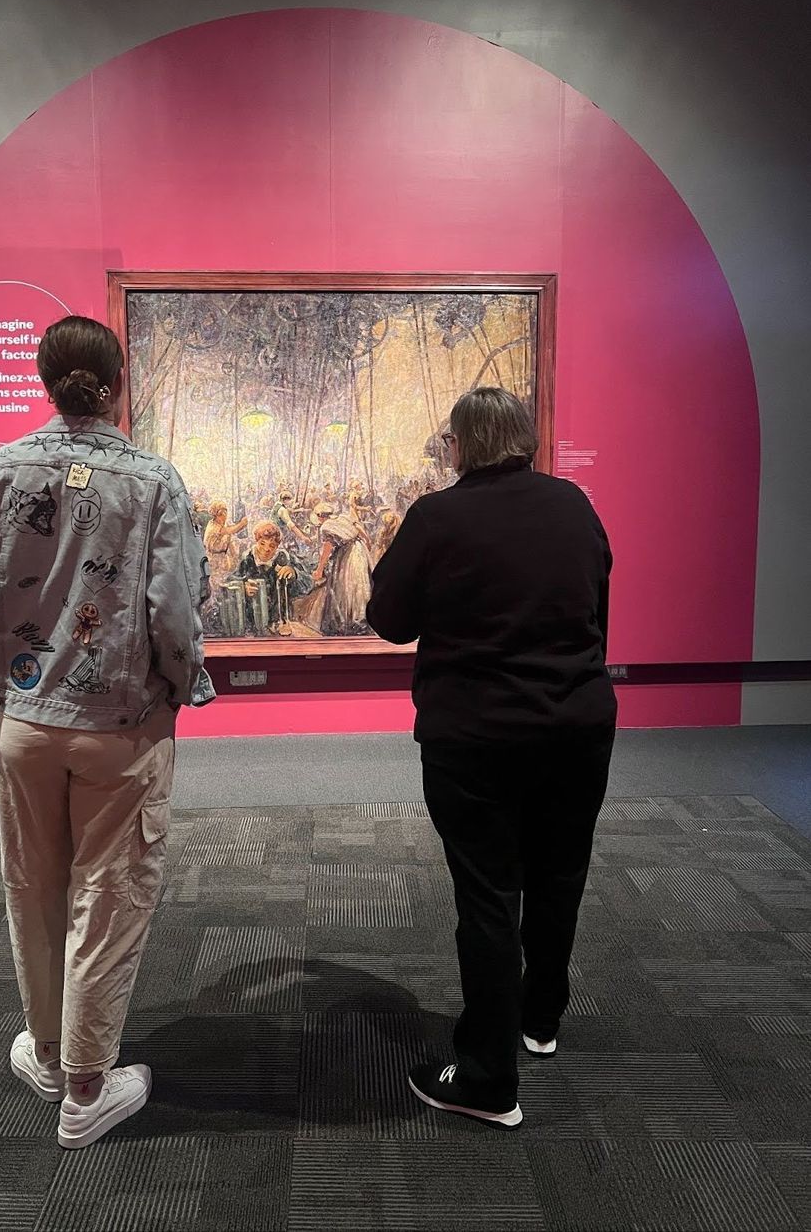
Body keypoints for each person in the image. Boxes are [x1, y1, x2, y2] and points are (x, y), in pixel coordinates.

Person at [0, 314, 215, 1150]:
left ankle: (52, 1050)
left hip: (24, 721)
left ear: (41, 378)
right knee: (110, 896)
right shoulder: (155, 482)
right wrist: (186, 682)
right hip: (121, 726)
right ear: (117, 383)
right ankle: (88, 1087)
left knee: (33, 885)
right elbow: (174, 607)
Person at [367, 386, 616, 1131]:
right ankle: (541, 1018)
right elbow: (596, 605)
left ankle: (485, 1076)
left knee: (487, 894)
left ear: (459, 445)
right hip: (576, 727)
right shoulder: (575, 505)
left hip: (475, 738)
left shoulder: (437, 517)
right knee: (559, 874)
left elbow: (388, 620)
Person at [234, 520, 313, 634]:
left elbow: (308, 582)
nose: (266, 549)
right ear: (256, 541)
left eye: (272, 546)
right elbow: (232, 580)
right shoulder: (247, 559)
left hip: (281, 621)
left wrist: (294, 573)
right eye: (262, 543)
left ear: (277, 546)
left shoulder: (284, 558)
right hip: (253, 621)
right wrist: (243, 587)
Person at [311, 502, 372, 635]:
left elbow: (327, 548)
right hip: (359, 548)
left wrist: (320, 569)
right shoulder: (343, 517)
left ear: (321, 517)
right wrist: (367, 540)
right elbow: (358, 527)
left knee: (346, 585)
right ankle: (361, 620)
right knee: (359, 585)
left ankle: (351, 622)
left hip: (348, 554)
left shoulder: (326, 527)